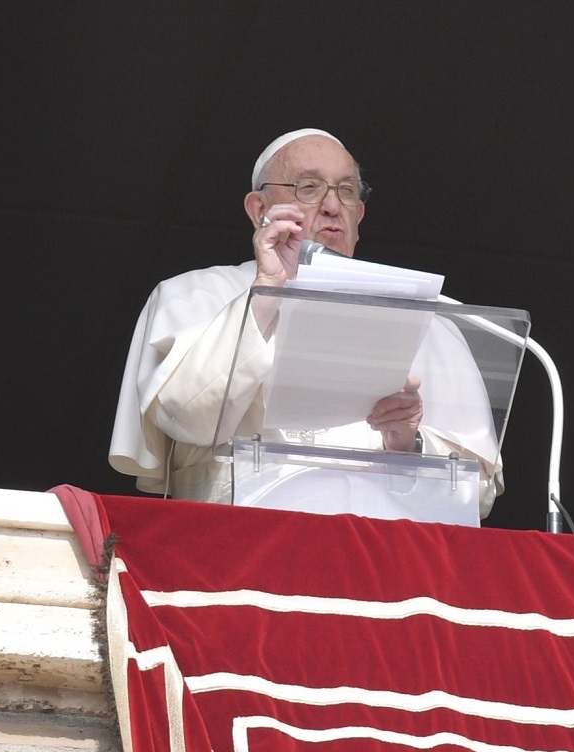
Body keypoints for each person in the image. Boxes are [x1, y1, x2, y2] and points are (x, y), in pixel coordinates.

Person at [109, 129, 502, 517]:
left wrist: (407, 443)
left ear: (359, 215)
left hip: (385, 562)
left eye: (346, 191)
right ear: (259, 210)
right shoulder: (193, 294)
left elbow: (476, 495)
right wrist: (266, 293)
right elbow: (186, 418)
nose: (332, 205)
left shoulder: (433, 319)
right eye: (309, 188)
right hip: (241, 553)